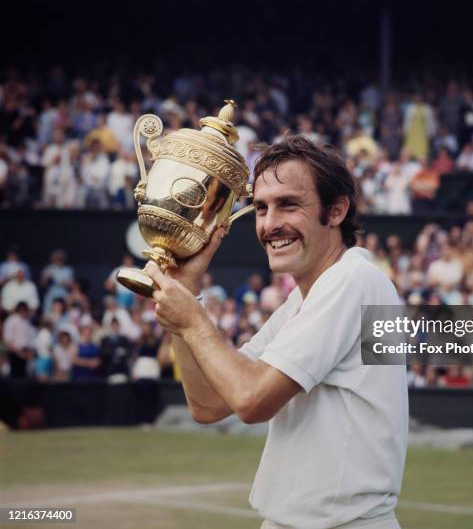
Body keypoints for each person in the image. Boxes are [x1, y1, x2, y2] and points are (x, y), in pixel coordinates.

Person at [146, 136, 408, 528]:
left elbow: (251, 402)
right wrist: (186, 292)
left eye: (289, 204)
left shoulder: (354, 280)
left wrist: (192, 319)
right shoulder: (307, 299)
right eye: (261, 208)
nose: (269, 224)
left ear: (336, 211)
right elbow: (209, 405)